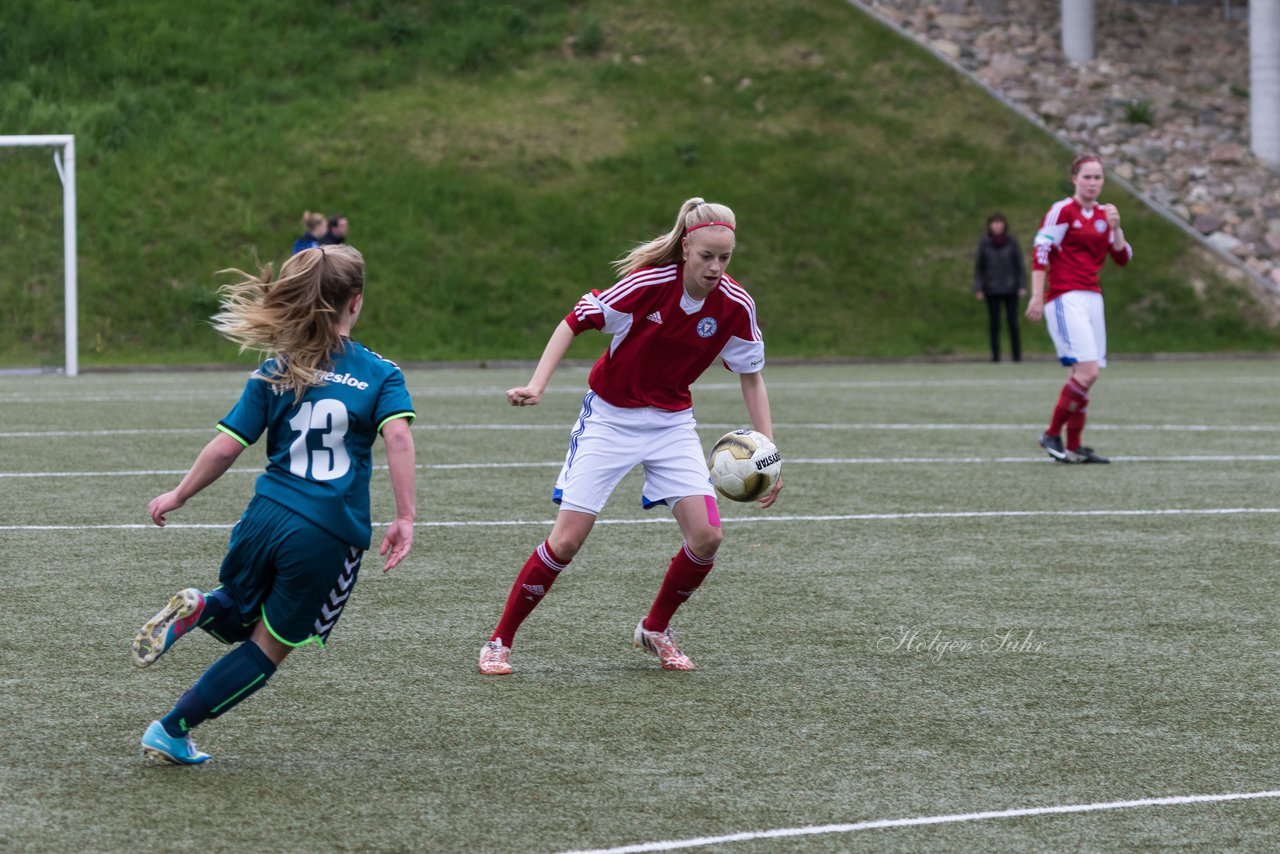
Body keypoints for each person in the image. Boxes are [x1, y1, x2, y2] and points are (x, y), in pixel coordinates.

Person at [131, 244, 417, 764]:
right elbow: (397, 439)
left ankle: (204, 604)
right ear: (355, 302)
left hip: (262, 516)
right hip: (326, 534)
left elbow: (226, 446)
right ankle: (172, 729)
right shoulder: (380, 373)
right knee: (269, 645)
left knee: (236, 610)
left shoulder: (275, 369)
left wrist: (178, 493)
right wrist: (405, 517)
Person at [478, 197, 783, 675]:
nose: (715, 267)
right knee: (566, 542)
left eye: (725, 258)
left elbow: (751, 376)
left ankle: (655, 628)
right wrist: (537, 384)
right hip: (610, 420)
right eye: (706, 256)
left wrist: (767, 453)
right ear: (686, 247)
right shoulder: (647, 284)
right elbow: (573, 322)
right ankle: (499, 640)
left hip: (671, 425)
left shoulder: (735, 305)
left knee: (707, 537)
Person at [1025, 153, 1132, 464]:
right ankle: (1051, 433)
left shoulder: (1104, 215)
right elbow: (1041, 250)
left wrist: (1117, 229)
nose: (1093, 182)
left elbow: (1122, 258)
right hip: (1065, 297)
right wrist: (1036, 295)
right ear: (1075, 179)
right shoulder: (1062, 210)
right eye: (1087, 176)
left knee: (1085, 374)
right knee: (1088, 371)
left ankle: (1074, 446)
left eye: (1098, 177)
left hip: (1092, 298)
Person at [973, 212, 1026, 362]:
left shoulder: (1012, 242)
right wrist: (979, 287)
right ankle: (995, 356)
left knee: (1012, 323)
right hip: (992, 288)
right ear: (990, 225)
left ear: (1004, 225)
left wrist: (1022, 285)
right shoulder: (984, 243)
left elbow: (1019, 264)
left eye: (1000, 222)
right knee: (994, 324)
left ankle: (1017, 356)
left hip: (1011, 288)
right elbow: (979, 267)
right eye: (994, 223)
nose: (997, 226)